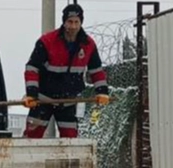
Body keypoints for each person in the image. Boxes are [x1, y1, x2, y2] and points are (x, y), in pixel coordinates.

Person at [22, 4, 110, 138]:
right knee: (32, 136)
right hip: (43, 100)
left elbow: (96, 70)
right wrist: (31, 94)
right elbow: (32, 68)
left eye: (77, 22)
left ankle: (67, 159)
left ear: (81, 23)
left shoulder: (88, 45)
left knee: (70, 139)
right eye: (70, 22)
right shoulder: (47, 41)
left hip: (69, 101)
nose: (73, 26)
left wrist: (102, 92)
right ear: (64, 22)